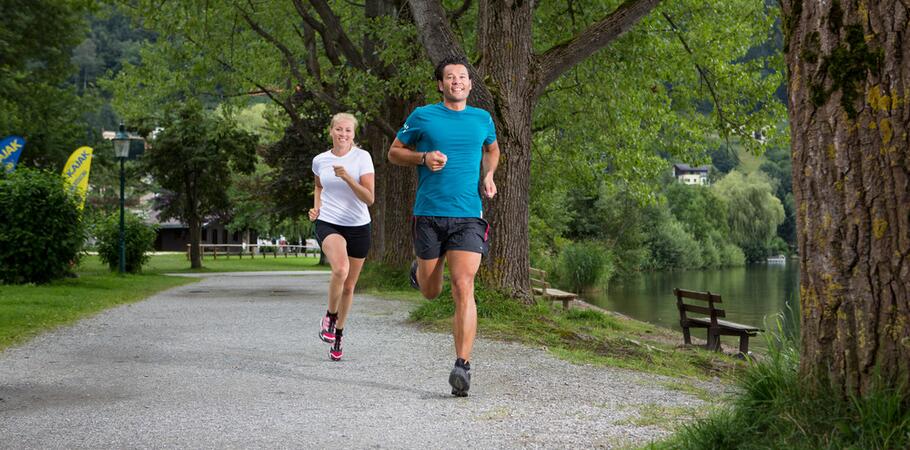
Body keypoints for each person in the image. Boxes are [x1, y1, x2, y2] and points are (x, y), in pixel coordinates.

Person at [387, 56, 500, 396]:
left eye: (462, 77)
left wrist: (489, 173)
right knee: (431, 291)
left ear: (470, 84)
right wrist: (422, 158)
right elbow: (393, 152)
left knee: (464, 285)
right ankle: (421, 271)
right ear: (440, 84)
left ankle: (462, 367)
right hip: (429, 214)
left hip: (468, 214)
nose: (457, 81)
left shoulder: (482, 118)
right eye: (450, 77)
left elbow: (492, 150)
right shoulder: (422, 116)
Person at [310, 112, 375, 361]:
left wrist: (348, 177)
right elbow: (319, 185)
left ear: (353, 134)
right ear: (331, 131)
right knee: (340, 269)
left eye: (348, 130)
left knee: (349, 287)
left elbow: (369, 198)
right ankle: (329, 315)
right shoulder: (320, 160)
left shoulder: (362, 158)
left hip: (359, 225)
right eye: (339, 129)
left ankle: (338, 334)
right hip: (329, 223)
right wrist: (317, 208)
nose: (343, 134)